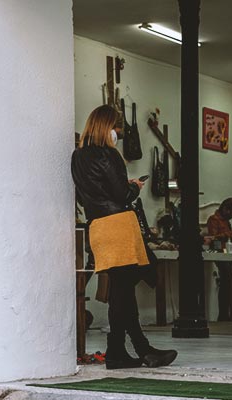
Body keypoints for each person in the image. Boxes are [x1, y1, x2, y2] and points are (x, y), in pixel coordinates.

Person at [71, 104, 177, 370]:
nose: (118, 132)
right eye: (117, 127)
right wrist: (134, 188)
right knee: (122, 292)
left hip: (97, 227)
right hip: (119, 225)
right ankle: (135, 349)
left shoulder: (78, 156)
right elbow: (120, 196)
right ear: (108, 127)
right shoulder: (110, 155)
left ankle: (120, 351)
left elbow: (88, 194)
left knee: (122, 291)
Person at [207, 198, 232, 322]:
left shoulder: (226, 221)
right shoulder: (213, 220)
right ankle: (223, 315)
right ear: (225, 209)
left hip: (229, 254)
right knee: (225, 284)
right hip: (220, 254)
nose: (231, 216)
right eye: (231, 212)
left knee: (230, 285)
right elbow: (213, 237)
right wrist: (230, 234)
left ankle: (228, 314)